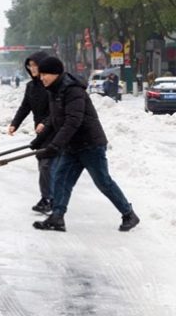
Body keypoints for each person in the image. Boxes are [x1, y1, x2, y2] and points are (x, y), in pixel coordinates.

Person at [30, 56, 139, 232]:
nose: (41, 78)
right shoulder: (53, 90)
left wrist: (54, 146)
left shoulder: (72, 90)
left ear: (56, 73)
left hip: (90, 144)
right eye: (40, 74)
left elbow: (73, 121)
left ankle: (129, 213)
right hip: (72, 145)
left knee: (103, 181)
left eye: (45, 74)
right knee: (60, 178)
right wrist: (39, 140)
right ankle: (57, 217)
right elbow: (53, 118)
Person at [7, 51, 55, 214]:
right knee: (44, 164)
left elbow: (57, 109)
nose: (32, 68)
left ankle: (48, 198)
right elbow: (25, 107)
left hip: (55, 128)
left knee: (47, 164)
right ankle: (49, 197)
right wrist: (15, 124)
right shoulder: (31, 86)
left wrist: (45, 122)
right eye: (30, 65)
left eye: (35, 65)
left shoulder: (50, 84)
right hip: (41, 131)